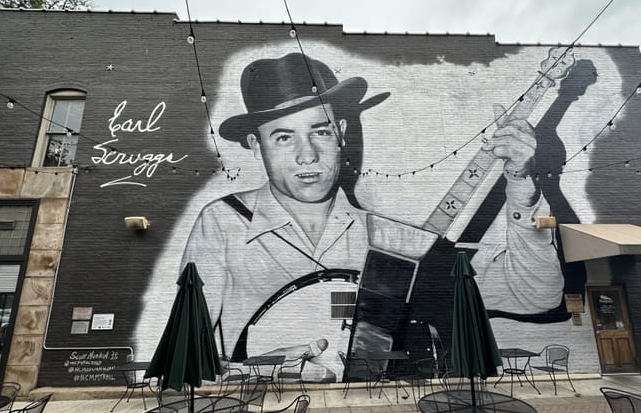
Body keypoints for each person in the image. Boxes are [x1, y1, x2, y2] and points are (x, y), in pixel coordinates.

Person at [182, 52, 563, 382]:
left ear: (341, 134)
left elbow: (535, 296)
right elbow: (186, 358)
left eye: (321, 132)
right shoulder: (223, 223)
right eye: (283, 137)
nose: (307, 155)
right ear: (255, 144)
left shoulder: (391, 241)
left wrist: (520, 184)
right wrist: (262, 371)